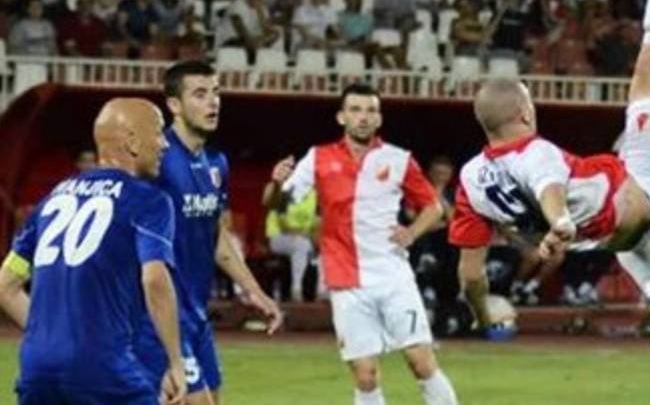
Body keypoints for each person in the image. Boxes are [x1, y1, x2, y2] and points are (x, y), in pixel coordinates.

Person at [450, 0, 650, 367]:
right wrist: (560, 222)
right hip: (646, 190)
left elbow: (470, 275)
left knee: (634, 244)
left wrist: (484, 313)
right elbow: (548, 187)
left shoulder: (468, 181)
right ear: (524, 113)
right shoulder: (535, 153)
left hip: (607, 234)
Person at [0, 97, 187, 405]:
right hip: (102, 367)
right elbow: (154, 280)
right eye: (159, 132)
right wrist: (176, 362)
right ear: (132, 142)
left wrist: (52, 339)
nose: (164, 144)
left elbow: (3, 288)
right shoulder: (149, 201)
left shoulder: (52, 199)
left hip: (38, 368)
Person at [274, 84, 458, 405]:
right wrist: (276, 184)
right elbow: (280, 204)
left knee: (421, 362)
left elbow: (434, 207)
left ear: (379, 118)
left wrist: (412, 232)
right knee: (365, 375)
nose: (363, 117)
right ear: (341, 116)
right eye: (356, 110)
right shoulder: (318, 157)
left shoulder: (398, 159)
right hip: (346, 279)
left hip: (393, 275)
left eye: (371, 110)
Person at [133, 61, 283, 404]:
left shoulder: (216, 163)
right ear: (174, 104)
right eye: (200, 94)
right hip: (159, 316)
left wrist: (255, 292)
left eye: (215, 93)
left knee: (213, 398)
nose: (213, 102)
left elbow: (217, 238)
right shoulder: (157, 159)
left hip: (196, 314)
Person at [262, 156, 325, 303]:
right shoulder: (280, 189)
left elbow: (318, 221)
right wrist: (277, 183)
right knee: (301, 244)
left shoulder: (312, 193)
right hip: (279, 237)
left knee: (324, 245)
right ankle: (297, 289)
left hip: (306, 237)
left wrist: (318, 236)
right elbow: (283, 223)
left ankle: (322, 290)